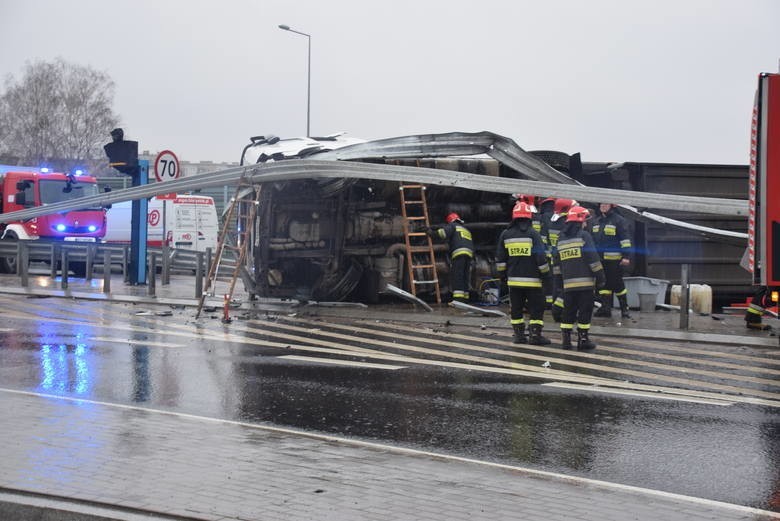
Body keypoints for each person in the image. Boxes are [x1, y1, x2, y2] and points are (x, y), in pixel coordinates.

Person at [496, 201, 551, 345]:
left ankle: (519, 336)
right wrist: (546, 275)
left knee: (516, 309)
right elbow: (540, 257)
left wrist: (502, 276)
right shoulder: (533, 234)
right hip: (533, 281)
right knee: (536, 309)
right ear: (529, 217)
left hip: (513, 281)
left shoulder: (505, 234)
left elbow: (501, 259)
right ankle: (535, 336)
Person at [555, 205, 606, 350]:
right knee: (585, 311)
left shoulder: (561, 238)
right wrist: (601, 277)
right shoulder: (584, 236)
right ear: (580, 221)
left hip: (568, 285)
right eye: (585, 221)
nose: (586, 224)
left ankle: (566, 340)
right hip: (585, 285)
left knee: (568, 311)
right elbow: (593, 259)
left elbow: (556, 263)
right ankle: (583, 340)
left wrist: (559, 281)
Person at [592, 202, 634, 319]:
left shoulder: (619, 221)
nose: (602, 206)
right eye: (601, 204)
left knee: (618, 284)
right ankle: (605, 308)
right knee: (603, 284)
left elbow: (625, 240)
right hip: (600, 260)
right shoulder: (596, 221)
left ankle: (624, 309)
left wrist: (626, 256)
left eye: (606, 204)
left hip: (615, 260)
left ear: (612, 206)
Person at [428, 212, 474, 302]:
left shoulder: (453, 226)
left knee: (457, 275)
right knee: (465, 276)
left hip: (459, 253)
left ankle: (458, 300)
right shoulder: (466, 229)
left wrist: (431, 233)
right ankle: (465, 298)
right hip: (469, 254)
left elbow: (442, 234)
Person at [545, 198, 578, 322]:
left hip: (554, 259)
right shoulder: (567, 223)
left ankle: (556, 308)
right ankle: (560, 310)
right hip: (566, 259)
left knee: (557, 286)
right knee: (568, 287)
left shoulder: (550, 221)